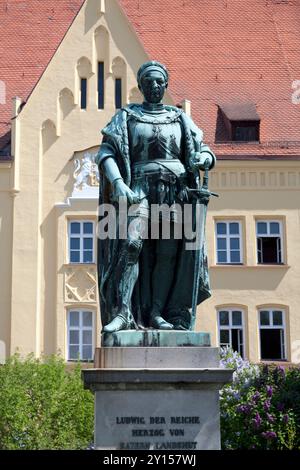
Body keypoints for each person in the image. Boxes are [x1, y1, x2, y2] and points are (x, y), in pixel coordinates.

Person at [96, 61, 216, 333]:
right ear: (140, 86)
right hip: (138, 189)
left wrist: (206, 158)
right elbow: (106, 153)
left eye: (158, 81)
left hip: (175, 192)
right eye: (148, 81)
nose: (153, 85)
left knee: (167, 254)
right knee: (130, 246)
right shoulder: (126, 116)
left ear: (165, 85)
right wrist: (117, 184)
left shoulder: (179, 117)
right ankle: (123, 313)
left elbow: (204, 148)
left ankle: (157, 312)